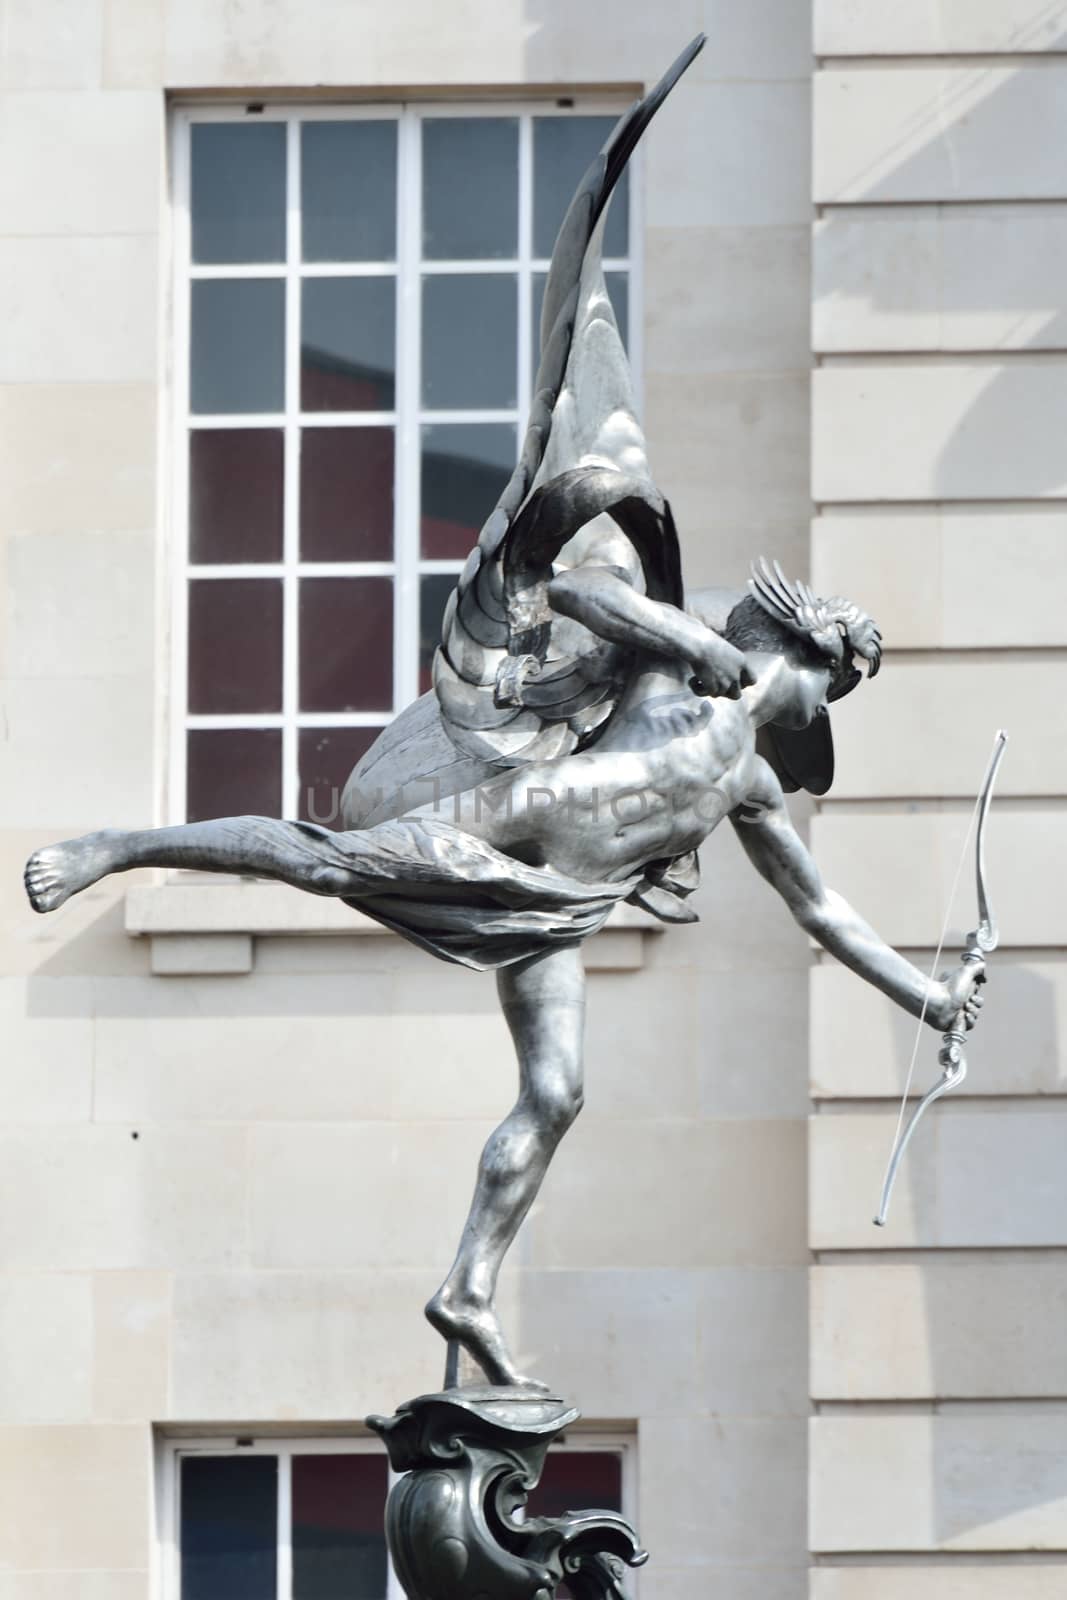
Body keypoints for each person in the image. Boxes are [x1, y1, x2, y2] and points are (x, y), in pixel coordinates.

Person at [22, 559, 984, 1388]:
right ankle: (120, 846)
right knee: (320, 860)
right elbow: (575, 588)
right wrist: (684, 640)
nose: (827, 709)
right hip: (503, 822)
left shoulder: (753, 785)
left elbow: (819, 909)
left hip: (553, 908)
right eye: (837, 686)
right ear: (808, 654)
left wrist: (929, 998)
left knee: (557, 1094)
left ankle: (466, 1293)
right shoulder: (674, 674)